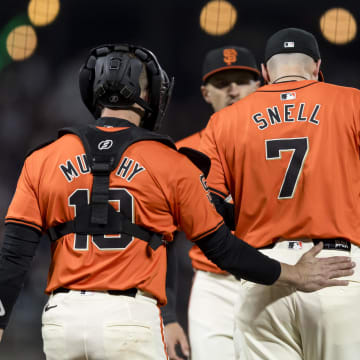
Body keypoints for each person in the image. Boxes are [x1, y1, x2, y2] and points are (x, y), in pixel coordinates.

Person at [0, 43, 353, 360]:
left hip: (62, 320)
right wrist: (291, 272)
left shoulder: (43, 158)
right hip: (131, 319)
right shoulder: (171, 162)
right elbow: (222, 248)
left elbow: (14, 255)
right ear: (150, 95)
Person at [200, 28, 360, 360]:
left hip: (265, 273)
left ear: (264, 72)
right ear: (317, 66)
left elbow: (208, 208)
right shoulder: (352, 102)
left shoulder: (224, 121)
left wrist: (249, 212)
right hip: (341, 270)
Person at [164, 45, 261, 360]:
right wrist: (167, 316)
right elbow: (160, 238)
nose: (233, 89)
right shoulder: (181, 155)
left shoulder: (285, 143)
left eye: (243, 80)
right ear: (206, 93)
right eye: (222, 83)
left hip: (278, 275)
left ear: (261, 85)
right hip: (214, 285)